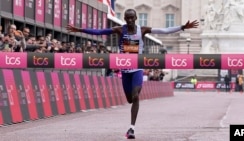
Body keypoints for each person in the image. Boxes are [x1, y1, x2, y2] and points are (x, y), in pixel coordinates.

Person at [66, 9, 199, 139]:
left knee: (135, 97)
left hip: (137, 69)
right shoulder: (120, 30)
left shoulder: (142, 30)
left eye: (132, 18)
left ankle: (131, 129)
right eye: (127, 18)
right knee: (129, 99)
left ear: (136, 18)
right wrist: (80, 30)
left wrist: (182, 27)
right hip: (125, 70)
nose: (129, 20)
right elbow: (100, 31)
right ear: (125, 19)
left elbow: (163, 31)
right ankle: (131, 118)